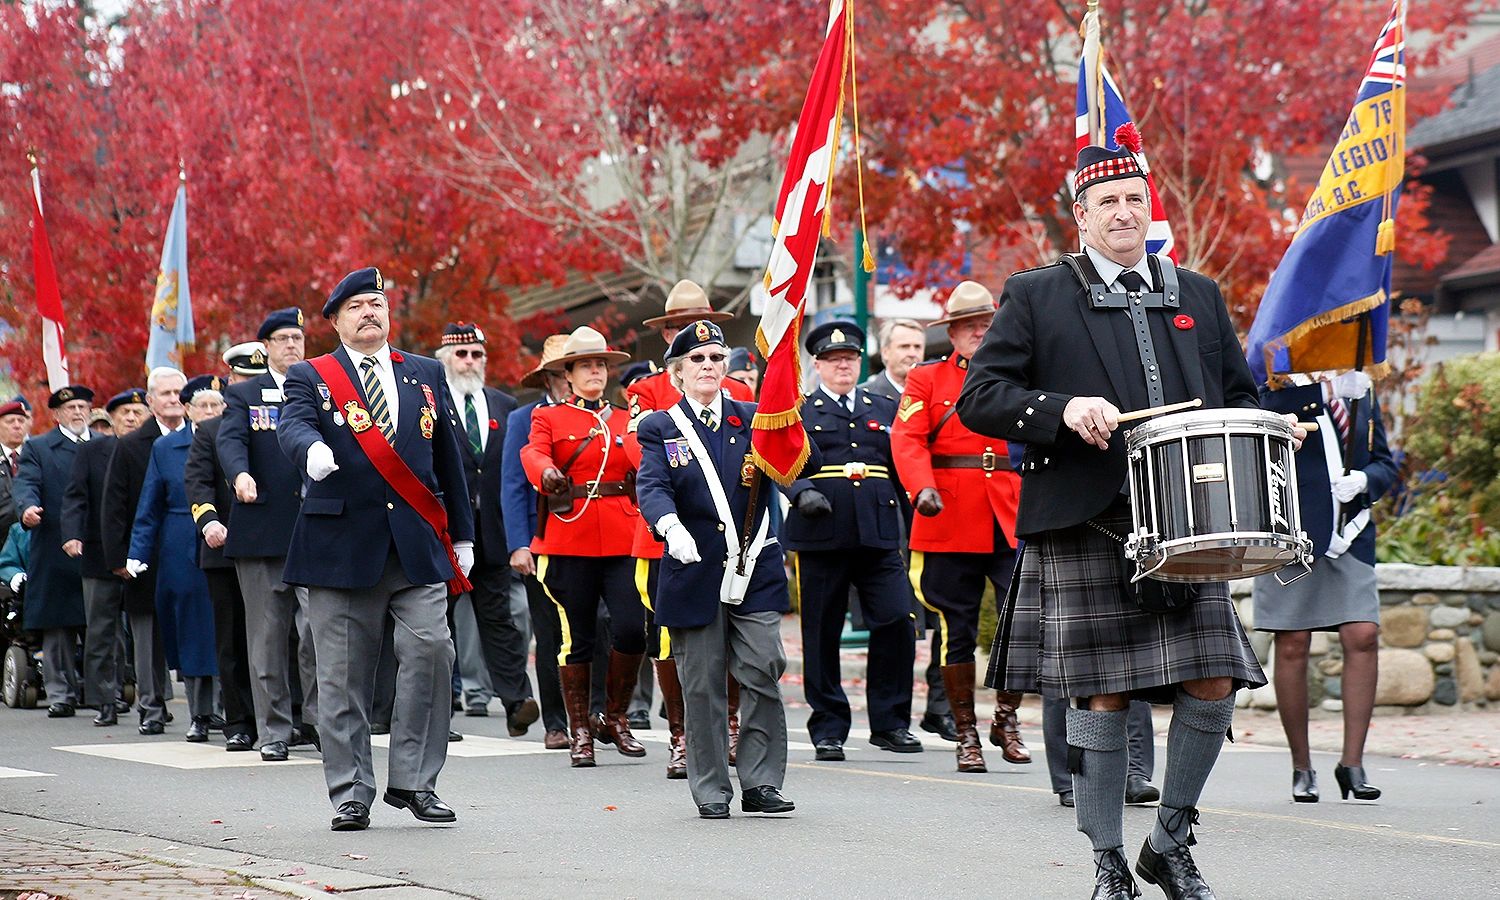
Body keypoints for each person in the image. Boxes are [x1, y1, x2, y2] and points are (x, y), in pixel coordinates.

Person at [956, 135, 1301, 899]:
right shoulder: (1036, 293)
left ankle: (1170, 840)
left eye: (1134, 200)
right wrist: (1061, 408)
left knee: (1214, 679)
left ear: (1152, 210)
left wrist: (1268, 430)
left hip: (1189, 523)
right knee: (1102, 695)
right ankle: (1108, 861)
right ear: (1080, 216)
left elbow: (1237, 396)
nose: (1123, 211)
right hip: (1088, 520)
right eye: (1106, 201)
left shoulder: (1197, 293)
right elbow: (979, 397)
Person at [278, 266, 474, 832]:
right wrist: (310, 450)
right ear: (335, 320)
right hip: (340, 548)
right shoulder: (312, 376)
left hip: (415, 545)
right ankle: (351, 790)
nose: (371, 312)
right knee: (341, 677)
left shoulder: (424, 373)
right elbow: (292, 426)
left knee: (433, 653)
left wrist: (460, 534)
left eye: (377, 303)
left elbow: (450, 462)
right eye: (357, 305)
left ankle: (416, 781)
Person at [635, 319, 817, 818]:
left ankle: (761, 782)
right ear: (677, 372)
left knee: (762, 668)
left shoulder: (755, 417)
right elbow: (652, 486)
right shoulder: (660, 427)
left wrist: (801, 478)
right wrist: (669, 527)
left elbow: (798, 463)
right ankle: (712, 789)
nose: (709, 366)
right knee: (703, 685)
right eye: (697, 359)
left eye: (717, 358)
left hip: (753, 567)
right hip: (693, 570)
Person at [890, 283, 1031, 773]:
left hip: (1009, 512)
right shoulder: (926, 379)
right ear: (951, 332)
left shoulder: (1020, 374)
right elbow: (907, 439)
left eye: (987, 322)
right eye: (969, 324)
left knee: (1021, 620)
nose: (979, 331)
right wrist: (919, 487)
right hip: (948, 513)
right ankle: (965, 731)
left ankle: (1006, 717)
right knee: (957, 629)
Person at [626, 281, 755, 767]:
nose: (704, 359)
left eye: (710, 343)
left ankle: (733, 726)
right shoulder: (646, 393)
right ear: (668, 340)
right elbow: (636, 457)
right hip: (667, 532)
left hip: (733, 539)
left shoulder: (739, 392)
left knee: (737, 634)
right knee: (670, 635)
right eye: (681, 329)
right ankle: (683, 734)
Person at [1253, 372, 1397, 803]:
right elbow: (1263, 421)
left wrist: (1367, 481)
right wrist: (1324, 393)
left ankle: (1352, 764)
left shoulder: (1359, 385)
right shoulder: (1274, 379)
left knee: (1363, 634)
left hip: (1348, 533)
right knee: (1293, 641)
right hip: (1291, 528)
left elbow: (1384, 461)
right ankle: (1302, 767)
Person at [781, 320, 920, 761]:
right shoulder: (801, 410)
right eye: (834, 360)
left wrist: (911, 523)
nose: (844, 366)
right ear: (818, 364)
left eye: (850, 359)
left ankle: (891, 722)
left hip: (878, 532)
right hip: (822, 531)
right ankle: (828, 726)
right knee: (821, 630)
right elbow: (779, 458)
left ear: (861, 363)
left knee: (898, 619)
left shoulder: (882, 406)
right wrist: (801, 492)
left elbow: (901, 467)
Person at [522, 325, 646, 768]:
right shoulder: (550, 417)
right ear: (567, 375)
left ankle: (614, 717)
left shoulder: (624, 416)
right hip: (569, 536)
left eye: (600, 365)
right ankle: (579, 732)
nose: (594, 372)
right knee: (578, 636)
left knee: (632, 628)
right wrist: (546, 472)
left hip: (621, 536)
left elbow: (640, 456)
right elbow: (532, 454)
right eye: (584, 366)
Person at [219, 311, 323, 761]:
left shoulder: (323, 390)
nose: (292, 346)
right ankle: (275, 729)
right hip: (262, 531)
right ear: (265, 348)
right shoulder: (244, 394)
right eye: (283, 339)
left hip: (316, 531)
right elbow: (230, 442)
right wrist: (239, 475)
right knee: (267, 637)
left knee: (320, 635)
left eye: (298, 338)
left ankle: (321, 723)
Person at [502, 335, 606, 751]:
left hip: (596, 538)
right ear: (551, 376)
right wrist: (519, 543)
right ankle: (557, 721)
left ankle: (597, 713)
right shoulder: (525, 418)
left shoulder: (603, 416)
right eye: (562, 371)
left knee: (600, 626)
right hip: (543, 538)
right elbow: (512, 485)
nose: (568, 380)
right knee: (551, 633)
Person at [435, 322, 536, 733]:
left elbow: (512, 473)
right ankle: (438, 712)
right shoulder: (432, 401)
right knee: (437, 625)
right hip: (446, 535)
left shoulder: (504, 404)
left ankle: (517, 702)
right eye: (462, 354)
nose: (470, 362)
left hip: (491, 533)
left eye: (477, 354)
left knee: (499, 619)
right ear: (445, 360)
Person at [126, 376, 225, 742]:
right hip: (180, 544)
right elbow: (149, 505)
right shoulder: (166, 449)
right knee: (193, 628)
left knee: (230, 626)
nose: (212, 412)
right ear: (188, 410)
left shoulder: (233, 441)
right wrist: (138, 551)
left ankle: (236, 710)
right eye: (204, 406)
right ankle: (202, 712)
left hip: (228, 541)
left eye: (217, 406)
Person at [184, 343, 268, 751]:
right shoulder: (212, 429)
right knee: (233, 637)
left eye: (259, 380)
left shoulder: (281, 421)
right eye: (244, 381)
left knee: (285, 637)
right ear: (230, 383)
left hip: (273, 548)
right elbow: (198, 482)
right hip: (226, 549)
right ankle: (239, 720)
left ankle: (294, 718)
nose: (251, 388)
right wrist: (209, 519)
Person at [103, 366, 185, 735]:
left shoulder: (201, 438)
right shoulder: (131, 444)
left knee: (198, 627)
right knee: (148, 635)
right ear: (151, 402)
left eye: (177, 393)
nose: (172, 400)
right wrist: (119, 558)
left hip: (187, 553)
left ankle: (210, 707)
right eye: (165, 394)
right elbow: (115, 505)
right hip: (145, 555)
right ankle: (151, 706)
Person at [61, 388, 148, 726]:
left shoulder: (152, 447)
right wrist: (72, 534)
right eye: (124, 412)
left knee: (146, 630)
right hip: (99, 553)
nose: (130, 418)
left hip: (142, 552)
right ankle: (104, 700)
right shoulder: (92, 450)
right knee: (101, 631)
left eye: (136, 412)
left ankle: (152, 700)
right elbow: (75, 497)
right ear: (111, 417)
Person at [13, 385, 93, 717]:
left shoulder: (105, 445)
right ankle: (61, 691)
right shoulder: (40, 448)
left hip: (98, 545)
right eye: (70, 408)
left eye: (82, 406)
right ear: (56, 414)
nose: (77, 412)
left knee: (101, 622)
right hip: (55, 544)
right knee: (58, 625)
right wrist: (28, 508)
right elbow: (26, 483)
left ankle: (103, 688)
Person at [859, 318, 925, 402]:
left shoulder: (934, 394)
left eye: (917, 347)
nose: (912, 354)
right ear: (885, 352)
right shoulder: (862, 397)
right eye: (904, 346)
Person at [0, 398, 29, 537]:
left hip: (33, 539)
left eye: (21, 421)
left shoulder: (37, 456)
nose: (17, 426)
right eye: (10, 421)